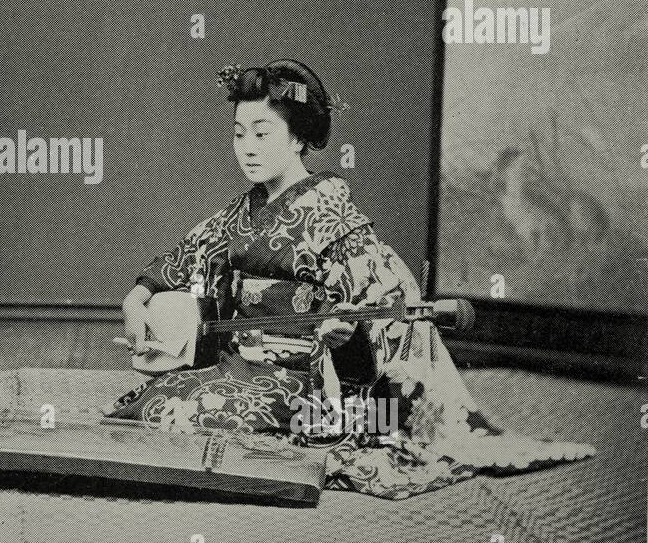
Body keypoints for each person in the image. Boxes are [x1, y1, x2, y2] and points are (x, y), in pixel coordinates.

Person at [110, 60, 595, 499]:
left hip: (311, 386)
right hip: (241, 365)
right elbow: (183, 256)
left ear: (299, 138)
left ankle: (309, 442)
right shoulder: (241, 213)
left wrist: (344, 340)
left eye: (262, 133)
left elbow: (378, 330)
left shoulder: (334, 217)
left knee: (187, 416)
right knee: (153, 403)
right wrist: (139, 297)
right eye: (239, 134)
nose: (247, 149)